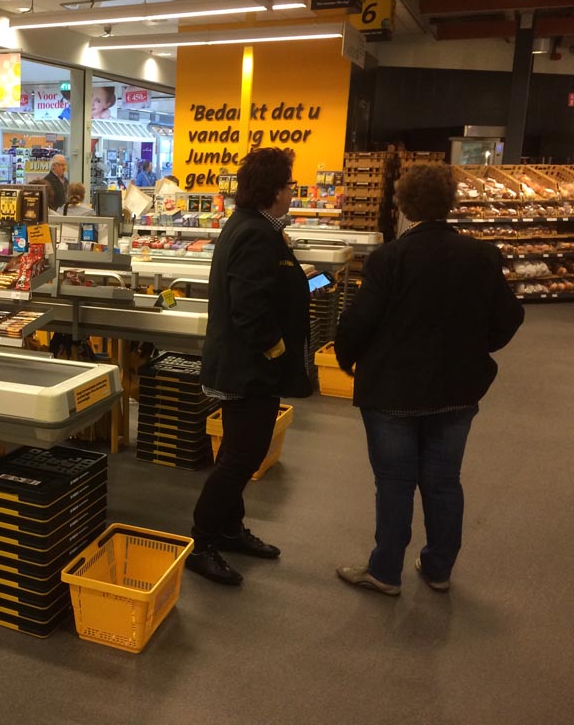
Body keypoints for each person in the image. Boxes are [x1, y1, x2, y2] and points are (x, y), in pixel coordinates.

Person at [334, 164, 524, 596]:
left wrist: (347, 359)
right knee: (444, 481)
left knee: (394, 483)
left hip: (392, 392)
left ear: (403, 205)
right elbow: (510, 317)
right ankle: (438, 569)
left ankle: (385, 573)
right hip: (457, 391)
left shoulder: (389, 259)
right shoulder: (481, 255)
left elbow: (359, 320)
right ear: (449, 203)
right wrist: (477, 349)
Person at [187, 147, 312, 586]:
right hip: (248, 368)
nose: (293, 193)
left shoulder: (251, 226)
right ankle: (201, 543)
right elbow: (249, 307)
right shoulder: (256, 233)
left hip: (244, 365)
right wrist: (276, 350)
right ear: (275, 191)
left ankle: (229, 529)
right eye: (290, 186)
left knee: (237, 451)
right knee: (243, 456)